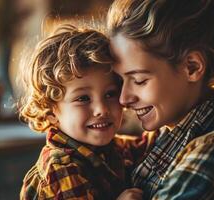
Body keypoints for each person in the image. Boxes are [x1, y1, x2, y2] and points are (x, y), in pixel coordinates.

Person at [107, 0, 214, 199]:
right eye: (120, 80)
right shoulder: (165, 137)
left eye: (139, 80)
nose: (123, 99)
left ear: (191, 67)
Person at [19, 23, 130, 200]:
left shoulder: (109, 147)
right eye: (83, 98)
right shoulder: (61, 168)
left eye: (110, 94)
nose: (101, 109)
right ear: (50, 112)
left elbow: (150, 142)